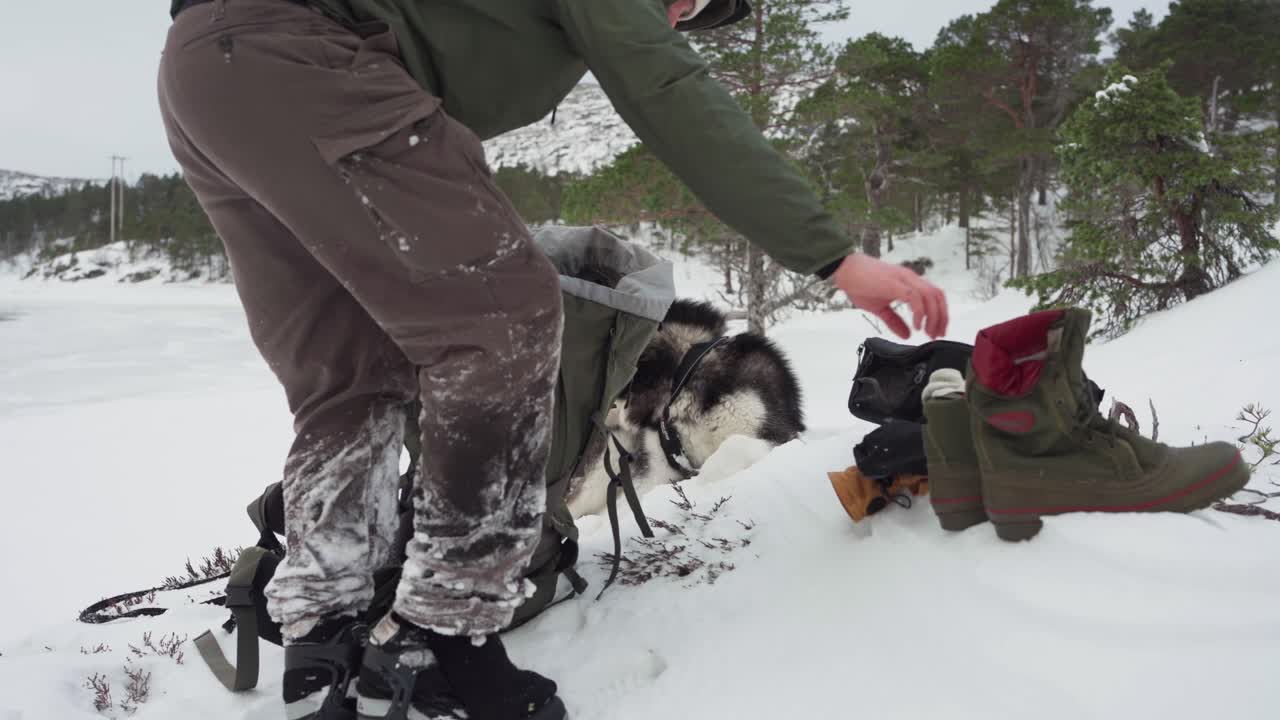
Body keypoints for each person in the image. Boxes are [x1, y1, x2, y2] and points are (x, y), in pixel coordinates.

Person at [157, 0, 949, 718]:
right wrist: (836, 259)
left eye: (698, 10)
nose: (679, 12)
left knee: (351, 375)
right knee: (508, 314)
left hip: (207, 71)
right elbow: (671, 96)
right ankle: (444, 638)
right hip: (303, 60)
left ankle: (322, 635)